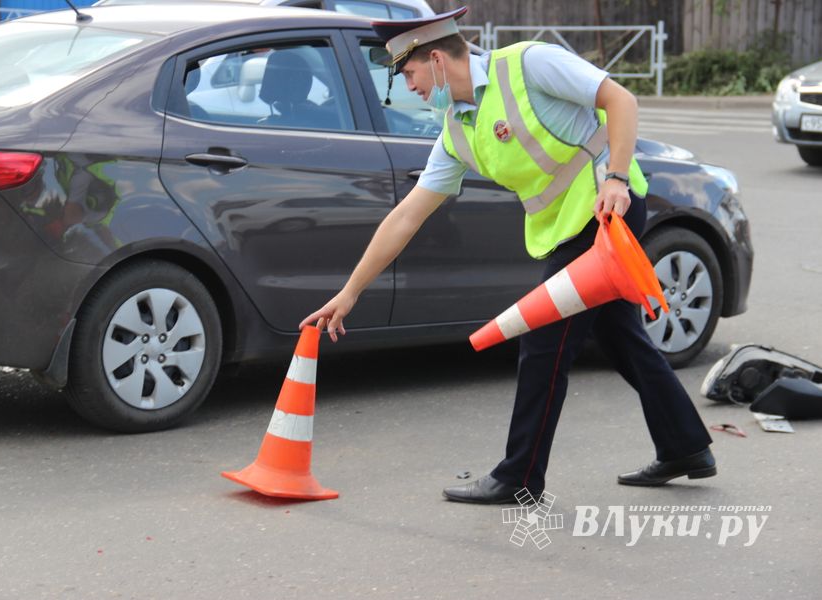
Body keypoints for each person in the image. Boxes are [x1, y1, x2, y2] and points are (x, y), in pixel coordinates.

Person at [300, 6, 715, 504]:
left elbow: (620, 100)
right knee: (619, 334)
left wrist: (619, 178)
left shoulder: (527, 65)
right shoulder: (456, 129)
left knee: (543, 342)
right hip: (562, 231)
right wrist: (349, 293)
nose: (407, 87)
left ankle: (518, 476)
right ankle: (685, 446)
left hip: (606, 217)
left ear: (435, 59)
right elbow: (406, 216)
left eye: (407, 73)